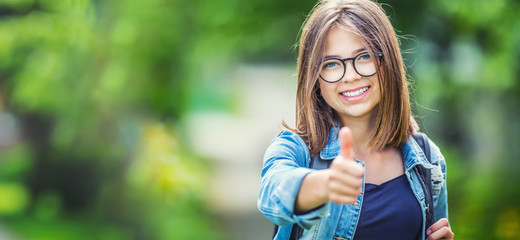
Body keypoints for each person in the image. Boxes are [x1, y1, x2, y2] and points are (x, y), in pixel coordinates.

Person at [257, 0, 455, 239]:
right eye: (331, 63)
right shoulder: (294, 148)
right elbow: (273, 195)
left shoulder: (428, 159)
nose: (350, 76)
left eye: (364, 57)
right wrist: (326, 184)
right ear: (315, 77)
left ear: (388, 61)